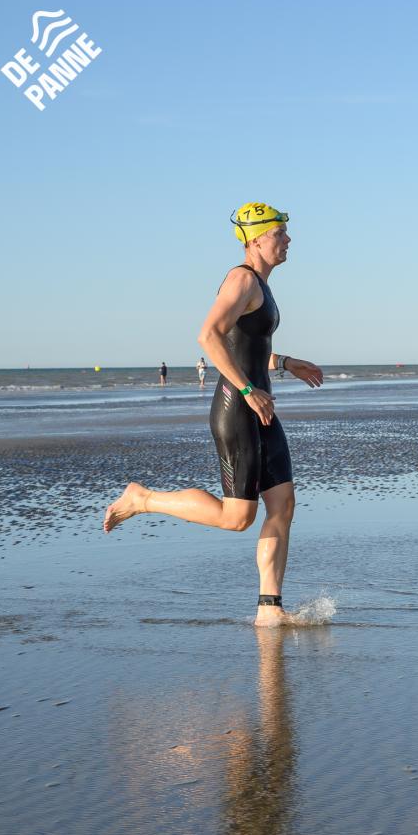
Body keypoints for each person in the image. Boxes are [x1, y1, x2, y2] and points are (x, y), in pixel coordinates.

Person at [104, 202, 323, 626]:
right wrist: (248, 389)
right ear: (254, 240)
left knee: (283, 503)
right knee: (237, 517)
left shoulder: (260, 284)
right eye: (279, 233)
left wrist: (284, 362)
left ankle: (269, 609)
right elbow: (208, 336)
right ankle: (142, 498)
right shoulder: (242, 279)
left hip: (259, 405)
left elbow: (244, 346)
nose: (288, 239)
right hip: (238, 407)